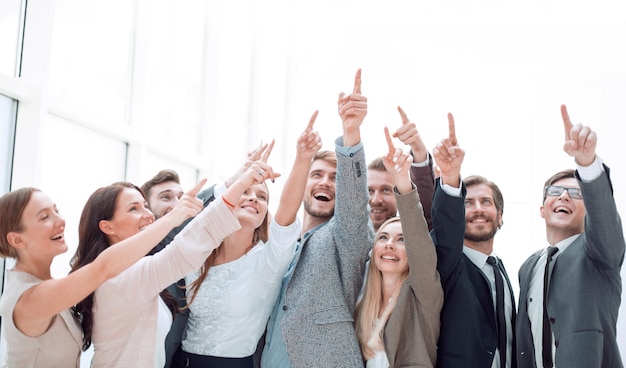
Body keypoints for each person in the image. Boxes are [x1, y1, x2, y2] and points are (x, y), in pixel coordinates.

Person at [69, 161, 275, 367]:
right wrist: (238, 184)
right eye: (133, 209)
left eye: (145, 206)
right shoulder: (121, 276)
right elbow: (191, 241)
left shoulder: (133, 268)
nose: (148, 215)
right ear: (107, 227)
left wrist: (237, 183)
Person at [172, 113, 322, 368]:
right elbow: (184, 223)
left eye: (262, 197)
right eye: (245, 191)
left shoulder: (268, 260)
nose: (253, 198)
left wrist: (303, 158)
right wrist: (241, 174)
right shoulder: (200, 249)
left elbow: (287, 212)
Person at [0, 182, 205, 367]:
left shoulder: (46, 284)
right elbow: (104, 268)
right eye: (44, 217)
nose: (60, 220)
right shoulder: (27, 299)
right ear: (17, 240)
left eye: (56, 210)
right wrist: (172, 218)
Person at [262, 69, 373, 367]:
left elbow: (353, 202)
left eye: (334, 178)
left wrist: (350, 135)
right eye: (317, 175)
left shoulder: (346, 235)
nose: (325, 182)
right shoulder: (281, 240)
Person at [516, 105, 625, 368]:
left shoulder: (599, 253)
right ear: (542, 209)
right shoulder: (528, 267)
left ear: (588, 211)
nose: (564, 196)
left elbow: (603, 215)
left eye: (576, 194)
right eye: (556, 192)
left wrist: (587, 163)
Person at [354, 126, 447, 368]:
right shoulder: (364, 299)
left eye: (401, 239)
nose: (390, 245)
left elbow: (418, 236)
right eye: (383, 238)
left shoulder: (423, 293)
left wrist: (402, 180)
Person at [431, 113, 516, 368]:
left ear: (499, 216)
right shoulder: (448, 262)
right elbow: (446, 228)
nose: (478, 208)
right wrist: (450, 176)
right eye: (468, 203)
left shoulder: (501, 270)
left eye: (486, 202)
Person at [368, 106, 436, 232]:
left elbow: (426, 216)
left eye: (386, 190)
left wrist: (418, 151)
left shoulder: (414, 239)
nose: (376, 199)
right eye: (369, 190)